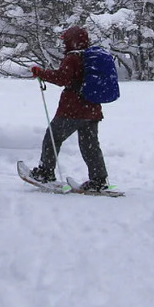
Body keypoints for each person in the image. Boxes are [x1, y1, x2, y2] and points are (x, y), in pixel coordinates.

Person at [26, 25, 108, 192]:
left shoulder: (72, 58)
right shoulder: (91, 57)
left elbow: (63, 78)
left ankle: (45, 172)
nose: (64, 44)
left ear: (73, 41)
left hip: (73, 110)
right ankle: (99, 179)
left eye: (66, 41)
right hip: (92, 109)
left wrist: (41, 73)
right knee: (90, 145)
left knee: (52, 138)